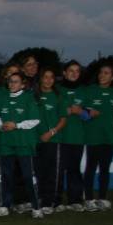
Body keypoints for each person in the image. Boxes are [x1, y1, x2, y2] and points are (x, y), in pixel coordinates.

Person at [0, 70, 42, 218]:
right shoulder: (1, 97)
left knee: (28, 176)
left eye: (15, 81)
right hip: (5, 143)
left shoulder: (29, 98)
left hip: (24, 143)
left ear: (23, 84)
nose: (12, 84)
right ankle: (4, 205)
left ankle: (36, 207)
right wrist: (2, 126)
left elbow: (35, 120)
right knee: (5, 176)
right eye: (10, 81)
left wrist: (16, 125)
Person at [81, 61, 113, 212]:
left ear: (112, 77)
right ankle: (89, 198)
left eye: (106, 73)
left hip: (109, 137)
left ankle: (102, 198)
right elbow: (80, 109)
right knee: (91, 167)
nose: (102, 75)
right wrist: (87, 113)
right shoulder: (89, 90)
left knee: (105, 169)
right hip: (93, 136)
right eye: (100, 73)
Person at [34, 68, 67, 214]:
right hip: (35, 140)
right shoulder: (33, 96)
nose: (48, 80)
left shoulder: (58, 96)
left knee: (51, 171)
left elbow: (63, 120)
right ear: (40, 78)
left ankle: (49, 201)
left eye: (51, 77)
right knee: (38, 170)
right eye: (45, 77)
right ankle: (40, 198)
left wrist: (51, 132)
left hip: (52, 139)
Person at [58, 61, 88, 211]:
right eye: (71, 70)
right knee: (58, 169)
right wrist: (68, 111)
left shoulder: (84, 91)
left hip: (77, 137)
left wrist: (81, 112)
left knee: (74, 169)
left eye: (77, 71)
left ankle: (74, 200)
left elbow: (90, 114)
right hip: (59, 136)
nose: (74, 73)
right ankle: (56, 200)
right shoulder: (57, 89)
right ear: (64, 73)